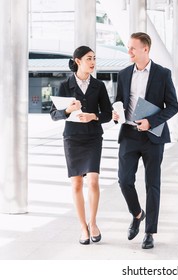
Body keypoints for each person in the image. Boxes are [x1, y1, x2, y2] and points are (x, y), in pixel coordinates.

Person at [112, 32, 178, 249]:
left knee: (152, 184)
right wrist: (116, 112)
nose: (129, 51)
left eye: (132, 48)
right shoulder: (123, 74)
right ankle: (137, 214)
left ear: (145, 49)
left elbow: (173, 106)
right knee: (124, 180)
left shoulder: (162, 74)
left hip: (153, 136)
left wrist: (151, 122)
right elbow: (119, 101)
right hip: (129, 134)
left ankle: (150, 232)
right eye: (128, 47)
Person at [50, 46, 112, 245]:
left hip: (93, 137)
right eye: (88, 58)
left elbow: (108, 114)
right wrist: (67, 110)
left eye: (94, 58)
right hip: (72, 138)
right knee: (76, 183)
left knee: (93, 181)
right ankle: (83, 227)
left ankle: (93, 223)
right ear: (78, 61)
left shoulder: (99, 86)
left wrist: (93, 116)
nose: (92, 62)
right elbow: (54, 114)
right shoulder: (64, 85)